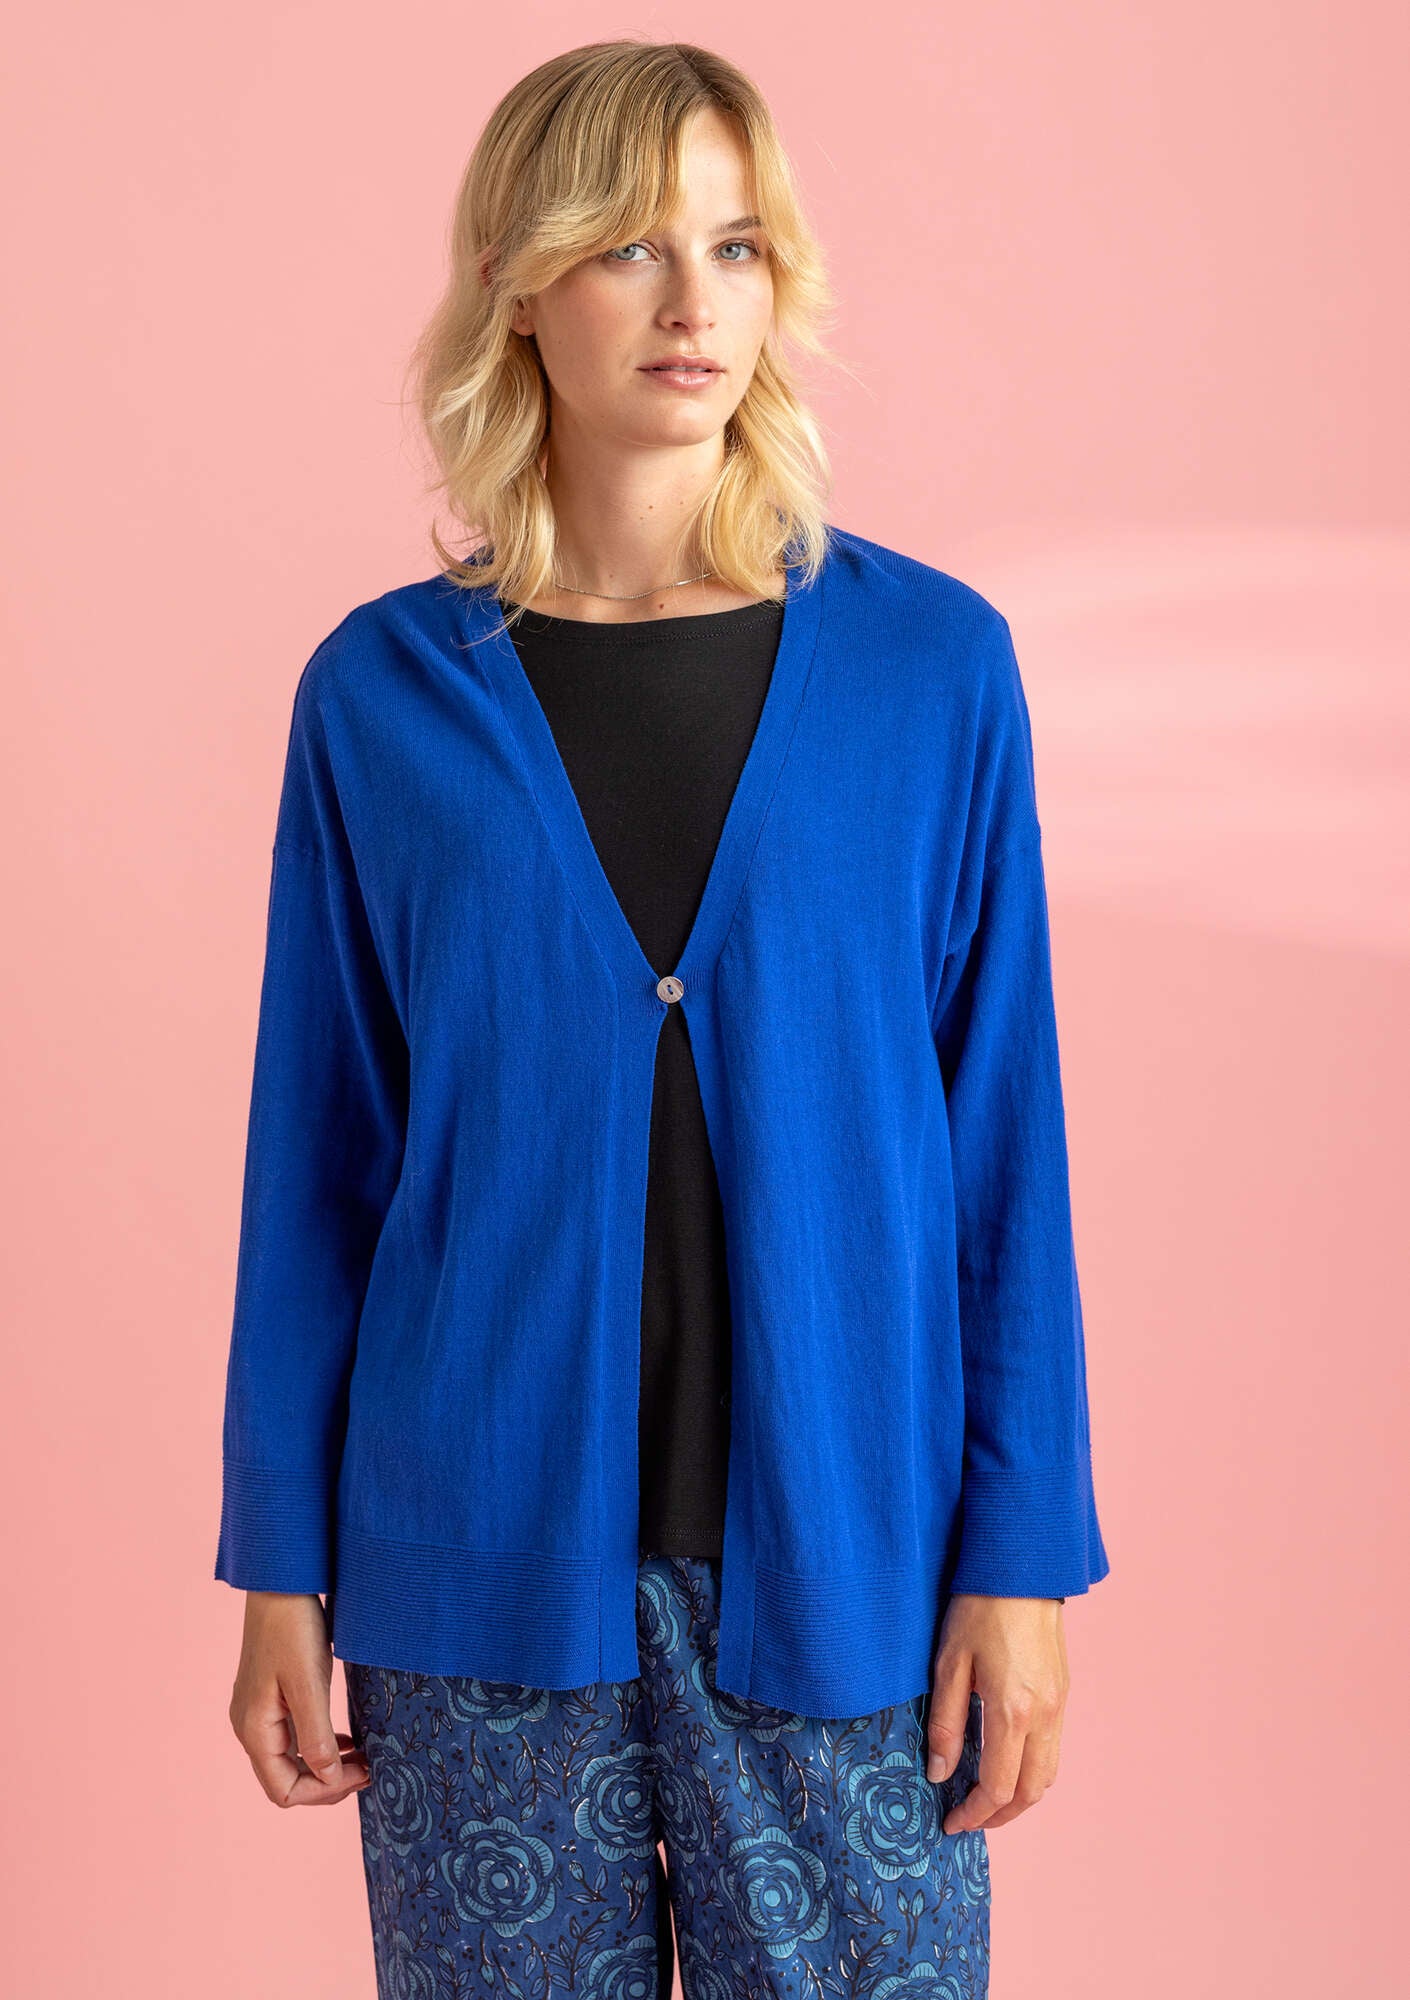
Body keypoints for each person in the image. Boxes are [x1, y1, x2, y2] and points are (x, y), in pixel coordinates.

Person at [214, 38, 1109, 1999]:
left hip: (852, 1581)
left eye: (735, 243)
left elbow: (1003, 1152)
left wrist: (1022, 1556)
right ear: (519, 285)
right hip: (472, 1587)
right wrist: (278, 1556)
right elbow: (319, 1161)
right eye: (628, 246)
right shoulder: (382, 699)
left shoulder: (930, 672)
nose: (693, 299)